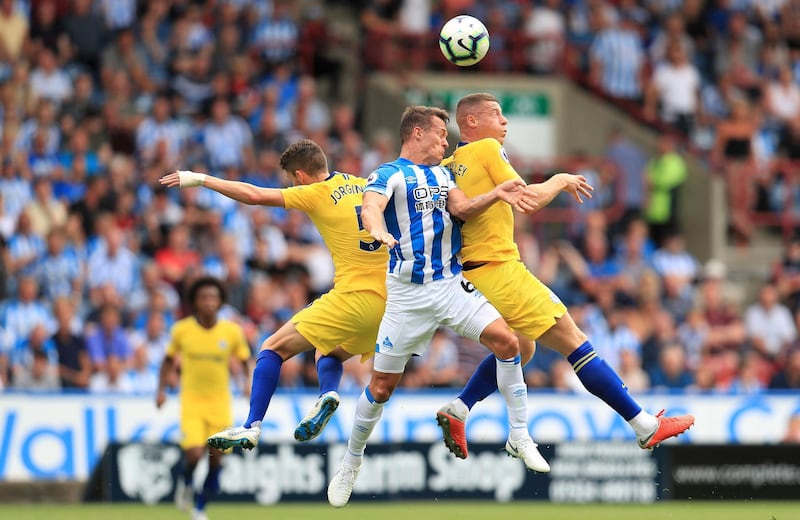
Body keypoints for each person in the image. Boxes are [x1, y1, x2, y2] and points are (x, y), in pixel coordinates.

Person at [435, 93, 695, 461]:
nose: (505, 121)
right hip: (501, 270)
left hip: (471, 275)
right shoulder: (488, 149)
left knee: (521, 349)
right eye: (496, 114)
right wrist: (558, 180)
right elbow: (526, 199)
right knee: (575, 342)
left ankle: (459, 408)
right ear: (471, 123)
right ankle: (644, 425)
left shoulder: (449, 164)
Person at [326, 106, 542, 508]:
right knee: (380, 388)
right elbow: (371, 207)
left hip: (448, 284)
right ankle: (351, 462)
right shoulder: (388, 174)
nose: (447, 141)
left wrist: (496, 194)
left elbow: (460, 209)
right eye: (441, 134)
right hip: (406, 296)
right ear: (418, 132)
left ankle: (520, 434)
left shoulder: (443, 174)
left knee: (508, 342)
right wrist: (377, 229)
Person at [160, 139, 389, 447]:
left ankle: (252, 424)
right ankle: (328, 394)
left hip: (355, 295)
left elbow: (254, 195)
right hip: (391, 304)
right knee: (327, 351)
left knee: (272, 348)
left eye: (291, 180)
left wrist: (201, 179)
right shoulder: (365, 185)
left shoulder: (315, 192)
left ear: (300, 176)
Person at [155, 276, 252, 520]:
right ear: (195, 302)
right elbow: (167, 360)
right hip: (192, 401)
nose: (209, 302)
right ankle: (186, 481)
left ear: (220, 302)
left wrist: (247, 383)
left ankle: (200, 506)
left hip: (220, 402)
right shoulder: (182, 330)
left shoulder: (231, 331)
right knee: (195, 453)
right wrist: (161, 390)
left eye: (213, 297)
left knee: (216, 459)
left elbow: (244, 360)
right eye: (203, 297)